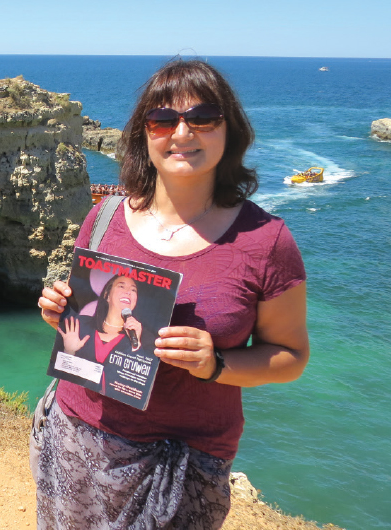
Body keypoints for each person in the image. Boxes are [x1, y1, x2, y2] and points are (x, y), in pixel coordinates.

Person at [36, 58, 309, 530]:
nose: (182, 133)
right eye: (163, 120)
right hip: (74, 434)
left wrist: (216, 364)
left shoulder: (266, 241)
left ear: (231, 132)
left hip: (179, 463)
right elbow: (85, 327)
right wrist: (61, 314)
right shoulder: (103, 218)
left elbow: (291, 356)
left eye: (202, 117)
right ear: (145, 134)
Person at [57, 275, 157, 397]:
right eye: (121, 286)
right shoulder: (79, 325)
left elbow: (142, 389)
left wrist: (136, 347)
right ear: (107, 295)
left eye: (133, 290)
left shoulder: (147, 339)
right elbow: (62, 376)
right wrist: (69, 351)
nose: (128, 292)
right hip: (73, 403)